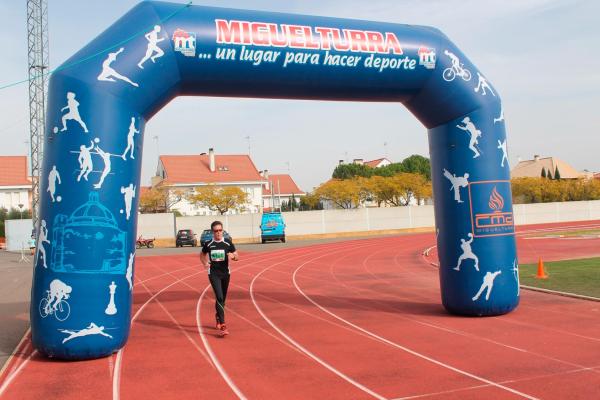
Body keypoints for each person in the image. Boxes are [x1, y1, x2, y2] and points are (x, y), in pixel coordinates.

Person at [200, 221, 239, 337]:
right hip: (213, 274)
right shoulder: (208, 244)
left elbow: (237, 255)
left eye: (220, 230)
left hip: (225, 274)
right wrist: (205, 263)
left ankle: (218, 316)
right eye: (216, 231)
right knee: (219, 297)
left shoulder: (227, 243)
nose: (218, 233)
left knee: (222, 299)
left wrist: (233, 256)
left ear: (222, 231)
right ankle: (223, 324)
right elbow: (202, 255)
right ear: (213, 232)